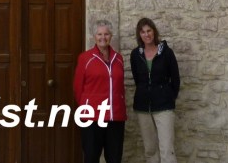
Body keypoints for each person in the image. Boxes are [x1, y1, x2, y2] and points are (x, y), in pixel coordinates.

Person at [73, 19, 126, 163]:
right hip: (92, 117)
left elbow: (120, 87)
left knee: (114, 158)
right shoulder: (85, 58)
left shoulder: (118, 58)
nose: (103, 37)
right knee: (91, 157)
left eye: (106, 34)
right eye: (99, 34)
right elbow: (78, 88)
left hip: (115, 116)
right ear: (94, 36)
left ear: (111, 36)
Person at [130, 17, 180, 163]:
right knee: (150, 150)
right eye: (143, 32)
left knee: (167, 150)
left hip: (164, 107)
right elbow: (137, 79)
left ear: (154, 31)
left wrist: (169, 96)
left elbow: (175, 79)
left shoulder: (167, 53)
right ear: (139, 35)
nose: (147, 34)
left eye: (149, 30)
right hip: (143, 107)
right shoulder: (135, 55)